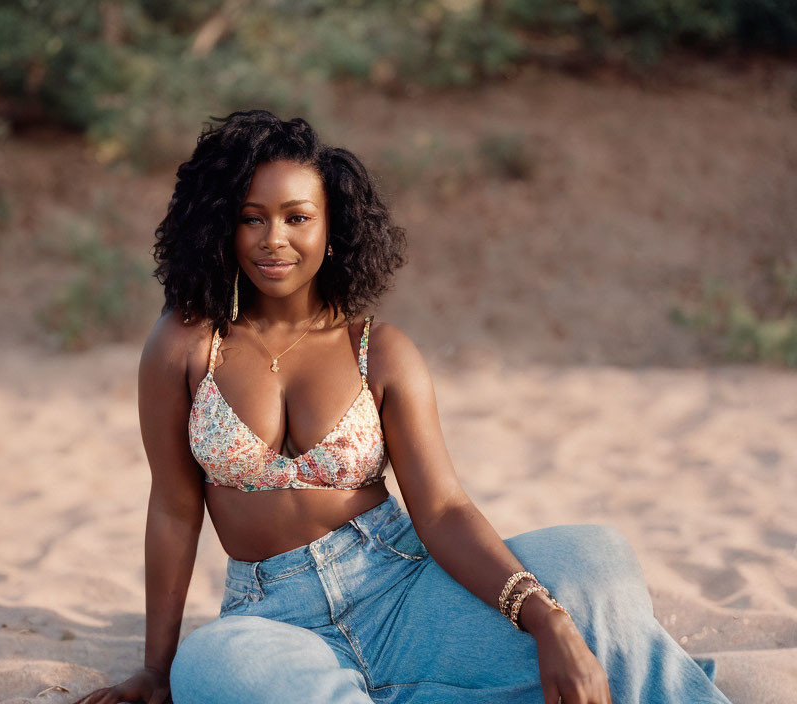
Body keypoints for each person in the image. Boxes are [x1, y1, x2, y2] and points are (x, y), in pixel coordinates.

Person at [73, 110, 732, 704]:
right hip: (273, 617)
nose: (274, 238)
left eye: (297, 217)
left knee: (593, 559)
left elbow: (442, 509)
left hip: (408, 590)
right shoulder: (188, 341)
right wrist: (155, 671)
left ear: (332, 229)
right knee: (212, 668)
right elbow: (172, 507)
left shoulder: (379, 351)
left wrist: (545, 616)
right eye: (252, 216)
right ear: (222, 224)